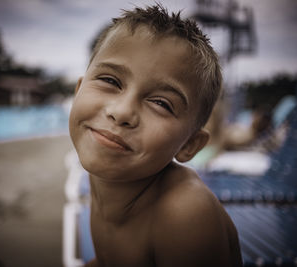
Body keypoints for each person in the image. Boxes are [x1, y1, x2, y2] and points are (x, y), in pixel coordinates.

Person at [69, 4, 242, 267]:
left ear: (190, 145)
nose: (122, 111)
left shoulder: (185, 214)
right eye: (111, 81)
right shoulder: (107, 180)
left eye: (161, 103)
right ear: (78, 90)